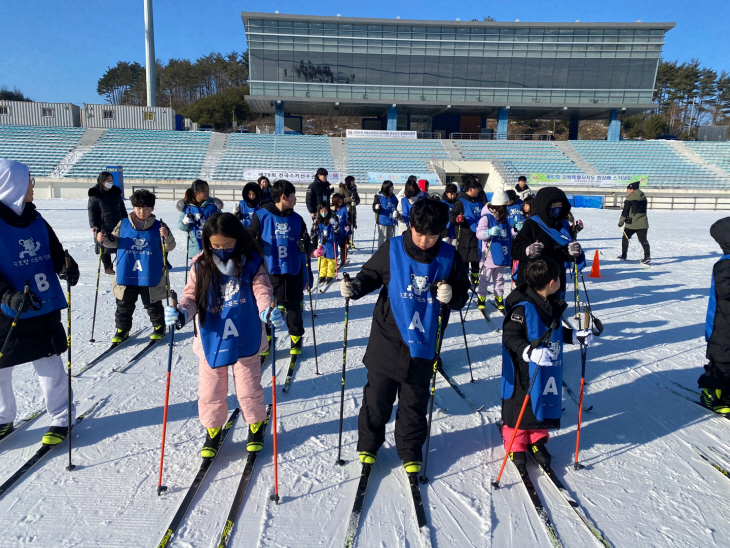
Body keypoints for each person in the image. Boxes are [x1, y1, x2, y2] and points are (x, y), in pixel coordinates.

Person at [340, 199, 470, 473]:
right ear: (410, 225)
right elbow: (371, 275)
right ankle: (369, 445)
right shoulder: (393, 249)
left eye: (432, 235)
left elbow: (462, 292)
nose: (424, 241)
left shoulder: (449, 256)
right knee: (377, 398)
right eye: (420, 233)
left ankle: (410, 450)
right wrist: (355, 287)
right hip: (387, 338)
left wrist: (453, 296)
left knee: (414, 402)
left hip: (424, 341)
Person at [164, 213, 285, 457]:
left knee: (248, 388)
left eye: (227, 245)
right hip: (212, 339)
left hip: (244, 335)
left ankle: (256, 422)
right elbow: (190, 297)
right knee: (211, 391)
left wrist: (266, 310)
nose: (221, 250)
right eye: (216, 246)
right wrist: (180, 313)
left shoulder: (251, 262)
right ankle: (213, 429)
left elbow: (262, 289)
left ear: (238, 240)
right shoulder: (201, 264)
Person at [0, 159, 79, 445]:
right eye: (29, 180)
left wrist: (67, 267)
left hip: (41, 303)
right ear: (14, 184)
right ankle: (2, 417)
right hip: (7, 308)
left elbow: (56, 252)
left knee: (48, 362)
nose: (32, 186)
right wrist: (7, 295)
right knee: (1, 367)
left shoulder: (35, 218)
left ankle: (61, 417)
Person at [500, 257, 594, 473]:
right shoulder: (521, 308)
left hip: (546, 369)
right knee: (520, 405)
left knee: (542, 402)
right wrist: (529, 351)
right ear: (553, 282)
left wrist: (575, 336)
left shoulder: (550, 305)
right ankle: (515, 442)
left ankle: (536, 438)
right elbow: (510, 336)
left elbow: (555, 332)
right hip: (522, 370)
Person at [96, 189, 176, 343]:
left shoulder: (160, 225)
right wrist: (103, 238)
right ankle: (122, 330)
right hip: (127, 270)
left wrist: (166, 236)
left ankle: (159, 327)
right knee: (124, 304)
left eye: (146, 209)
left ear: (152, 208)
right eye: (138, 208)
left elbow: (169, 246)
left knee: (152, 303)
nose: (142, 212)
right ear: (133, 207)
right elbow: (114, 241)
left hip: (149, 271)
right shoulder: (123, 223)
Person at [247, 180, 311, 356]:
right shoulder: (261, 215)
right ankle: (267, 338)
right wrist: (255, 244)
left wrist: (306, 245)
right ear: (284, 197)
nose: (295, 200)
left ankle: (296, 339)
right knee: (269, 306)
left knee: (294, 307)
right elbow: (248, 238)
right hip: (270, 269)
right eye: (293, 196)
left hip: (293, 269)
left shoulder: (297, 219)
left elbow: (308, 243)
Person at [511, 186, 585, 301]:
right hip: (534, 281)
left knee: (554, 315)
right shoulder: (532, 223)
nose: (556, 209)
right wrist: (527, 250)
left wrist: (574, 252)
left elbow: (564, 253)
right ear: (543, 205)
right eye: (553, 205)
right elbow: (515, 250)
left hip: (555, 281)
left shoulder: (563, 225)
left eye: (560, 205)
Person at [698, 217, 730, 414]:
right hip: (723, 325)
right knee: (721, 361)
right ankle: (712, 394)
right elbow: (726, 290)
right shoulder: (724, 264)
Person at [476, 189, 512, 312]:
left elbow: (508, 231)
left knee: (499, 279)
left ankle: (499, 298)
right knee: (485, 279)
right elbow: (479, 233)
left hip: (502, 254)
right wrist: (488, 232)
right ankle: (481, 298)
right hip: (489, 255)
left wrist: (516, 230)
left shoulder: (504, 218)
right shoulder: (486, 218)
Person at [88, 171, 127, 275]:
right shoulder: (95, 194)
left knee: (119, 243)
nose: (110, 182)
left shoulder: (116, 192)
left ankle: (121, 265)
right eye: (108, 180)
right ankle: (107, 267)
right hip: (103, 223)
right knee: (104, 246)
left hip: (118, 222)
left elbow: (122, 208)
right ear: (102, 181)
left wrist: (126, 220)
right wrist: (94, 225)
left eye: (111, 180)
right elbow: (91, 211)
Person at [177, 179, 223, 261]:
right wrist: (185, 221)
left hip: (212, 246)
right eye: (204, 191)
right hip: (195, 248)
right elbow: (181, 227)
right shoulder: (188, 207)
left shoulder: (213, 206)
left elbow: (221, 224)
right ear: (196, 193)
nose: (207, 193)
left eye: (208, 190)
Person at [450, 178, 483, 286]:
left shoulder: (478, 201)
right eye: (477, 188)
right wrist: (457, 219)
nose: (478, 191)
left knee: (476, 258)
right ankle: (463, 278)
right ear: (470, 189)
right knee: (464, 258)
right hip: (464, 234)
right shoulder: (460, 202)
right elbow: (452, 217)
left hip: (477, 234)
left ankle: (475, 276)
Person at [618, 181, 650, 265]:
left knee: (625, 238)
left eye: (628, 189)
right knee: (643, 240)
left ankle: (624, 255)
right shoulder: (643, 197)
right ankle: (647, 257)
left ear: (632, 189)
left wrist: (621, 222)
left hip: (631, 224)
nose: (627, 191)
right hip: (643, 223)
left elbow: (625, 212)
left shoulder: (629, 199)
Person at [313, 201, 340, 284]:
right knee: (322, 259)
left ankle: (330, 275)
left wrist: (335, 225)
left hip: (331, 243)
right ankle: (322, 274)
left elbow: (338, 230)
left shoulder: (332, 219)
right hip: (322, 243)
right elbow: (313, 232)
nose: (323, 213)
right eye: (322, 211)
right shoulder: (318, 221)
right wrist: (314, 228)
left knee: (331, 260)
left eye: (325, 211)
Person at [372, 180, 398, 248]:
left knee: (390, 240)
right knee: (382, 240)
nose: (393, 188)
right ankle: (381, 255)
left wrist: (397, 212)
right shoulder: (379, 196)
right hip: (382, 222)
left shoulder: (393, 196)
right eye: (391, 187)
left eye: (392, 186)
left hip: (391, 221)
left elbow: (397, 206)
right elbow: (374, 208)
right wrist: (376, 207)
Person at [339, 176, 360, 250]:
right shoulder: (343, 189)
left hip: (352, 210)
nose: (353, 183)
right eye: (352, 181)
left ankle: (351, 241)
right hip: (345, 211)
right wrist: (349, 199)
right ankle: (345, 242)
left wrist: (355, 202)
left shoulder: (354, 189)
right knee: (346, 226)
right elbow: (339, 199)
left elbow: (358, 199)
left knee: (352, 226)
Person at [331, 193, 349, 267]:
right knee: (334, 247)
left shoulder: (344, 209)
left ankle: (343, 260)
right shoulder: (332, 210)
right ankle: (334, 260)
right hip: (334, 233)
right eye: (338, 200)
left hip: (342, 232)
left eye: (341, 199)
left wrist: (348, 226)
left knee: (342, 247)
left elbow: (347, 219)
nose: (340, 201)